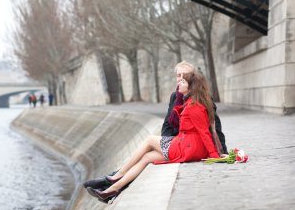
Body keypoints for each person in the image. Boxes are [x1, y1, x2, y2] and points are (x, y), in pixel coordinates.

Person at [86, 72, 221, 201]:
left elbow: (204, 132)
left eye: (183, 82)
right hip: (185, 144)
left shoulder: (194, 106)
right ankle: (111, 190)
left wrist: (214, 155)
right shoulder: (190, 102)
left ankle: (118, 174)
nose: (179, 83)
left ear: (191, 87)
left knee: (150, 139)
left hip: (187, 147)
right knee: (147, 157)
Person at [162, 61, 227, 154]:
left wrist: (223, 150)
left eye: (184, 75)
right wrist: (164, 142)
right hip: (176, 140)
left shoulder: (202, 97)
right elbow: (167, 124)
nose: (180, 78)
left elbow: (214, 124)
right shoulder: (174, 96)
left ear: (192, 78)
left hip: (192, 144)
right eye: (178, 75)